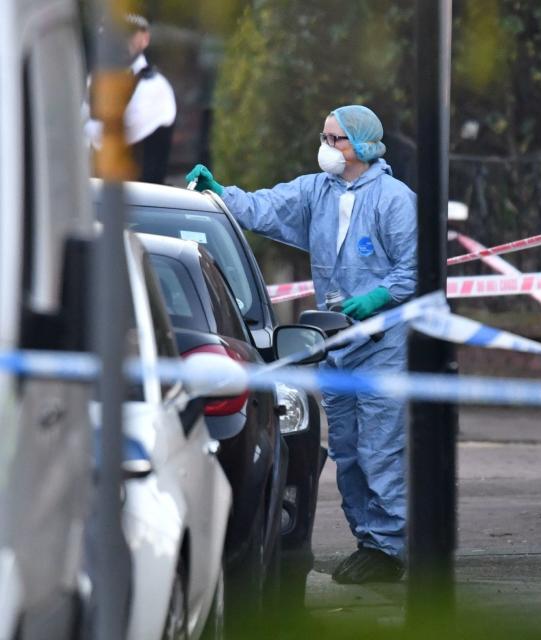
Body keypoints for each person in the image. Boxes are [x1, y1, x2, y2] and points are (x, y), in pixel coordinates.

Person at [186, 105, 416, 584]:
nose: (327, 147)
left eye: (337, 140)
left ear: (365, 147)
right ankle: (369, 542)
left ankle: (390, 547)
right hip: (337, 344)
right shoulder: (318, 192)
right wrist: (220, 194)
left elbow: (415, 269)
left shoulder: (395, 200)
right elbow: (265, 207)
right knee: (349, 450)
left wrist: (377, 296)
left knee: (381, 448)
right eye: (325, 137)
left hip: (383, 346)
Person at [84, 14, 177, 183]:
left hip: (143, 202)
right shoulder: (96, 80)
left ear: (145, 39)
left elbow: (106, 133)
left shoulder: (155, 86)